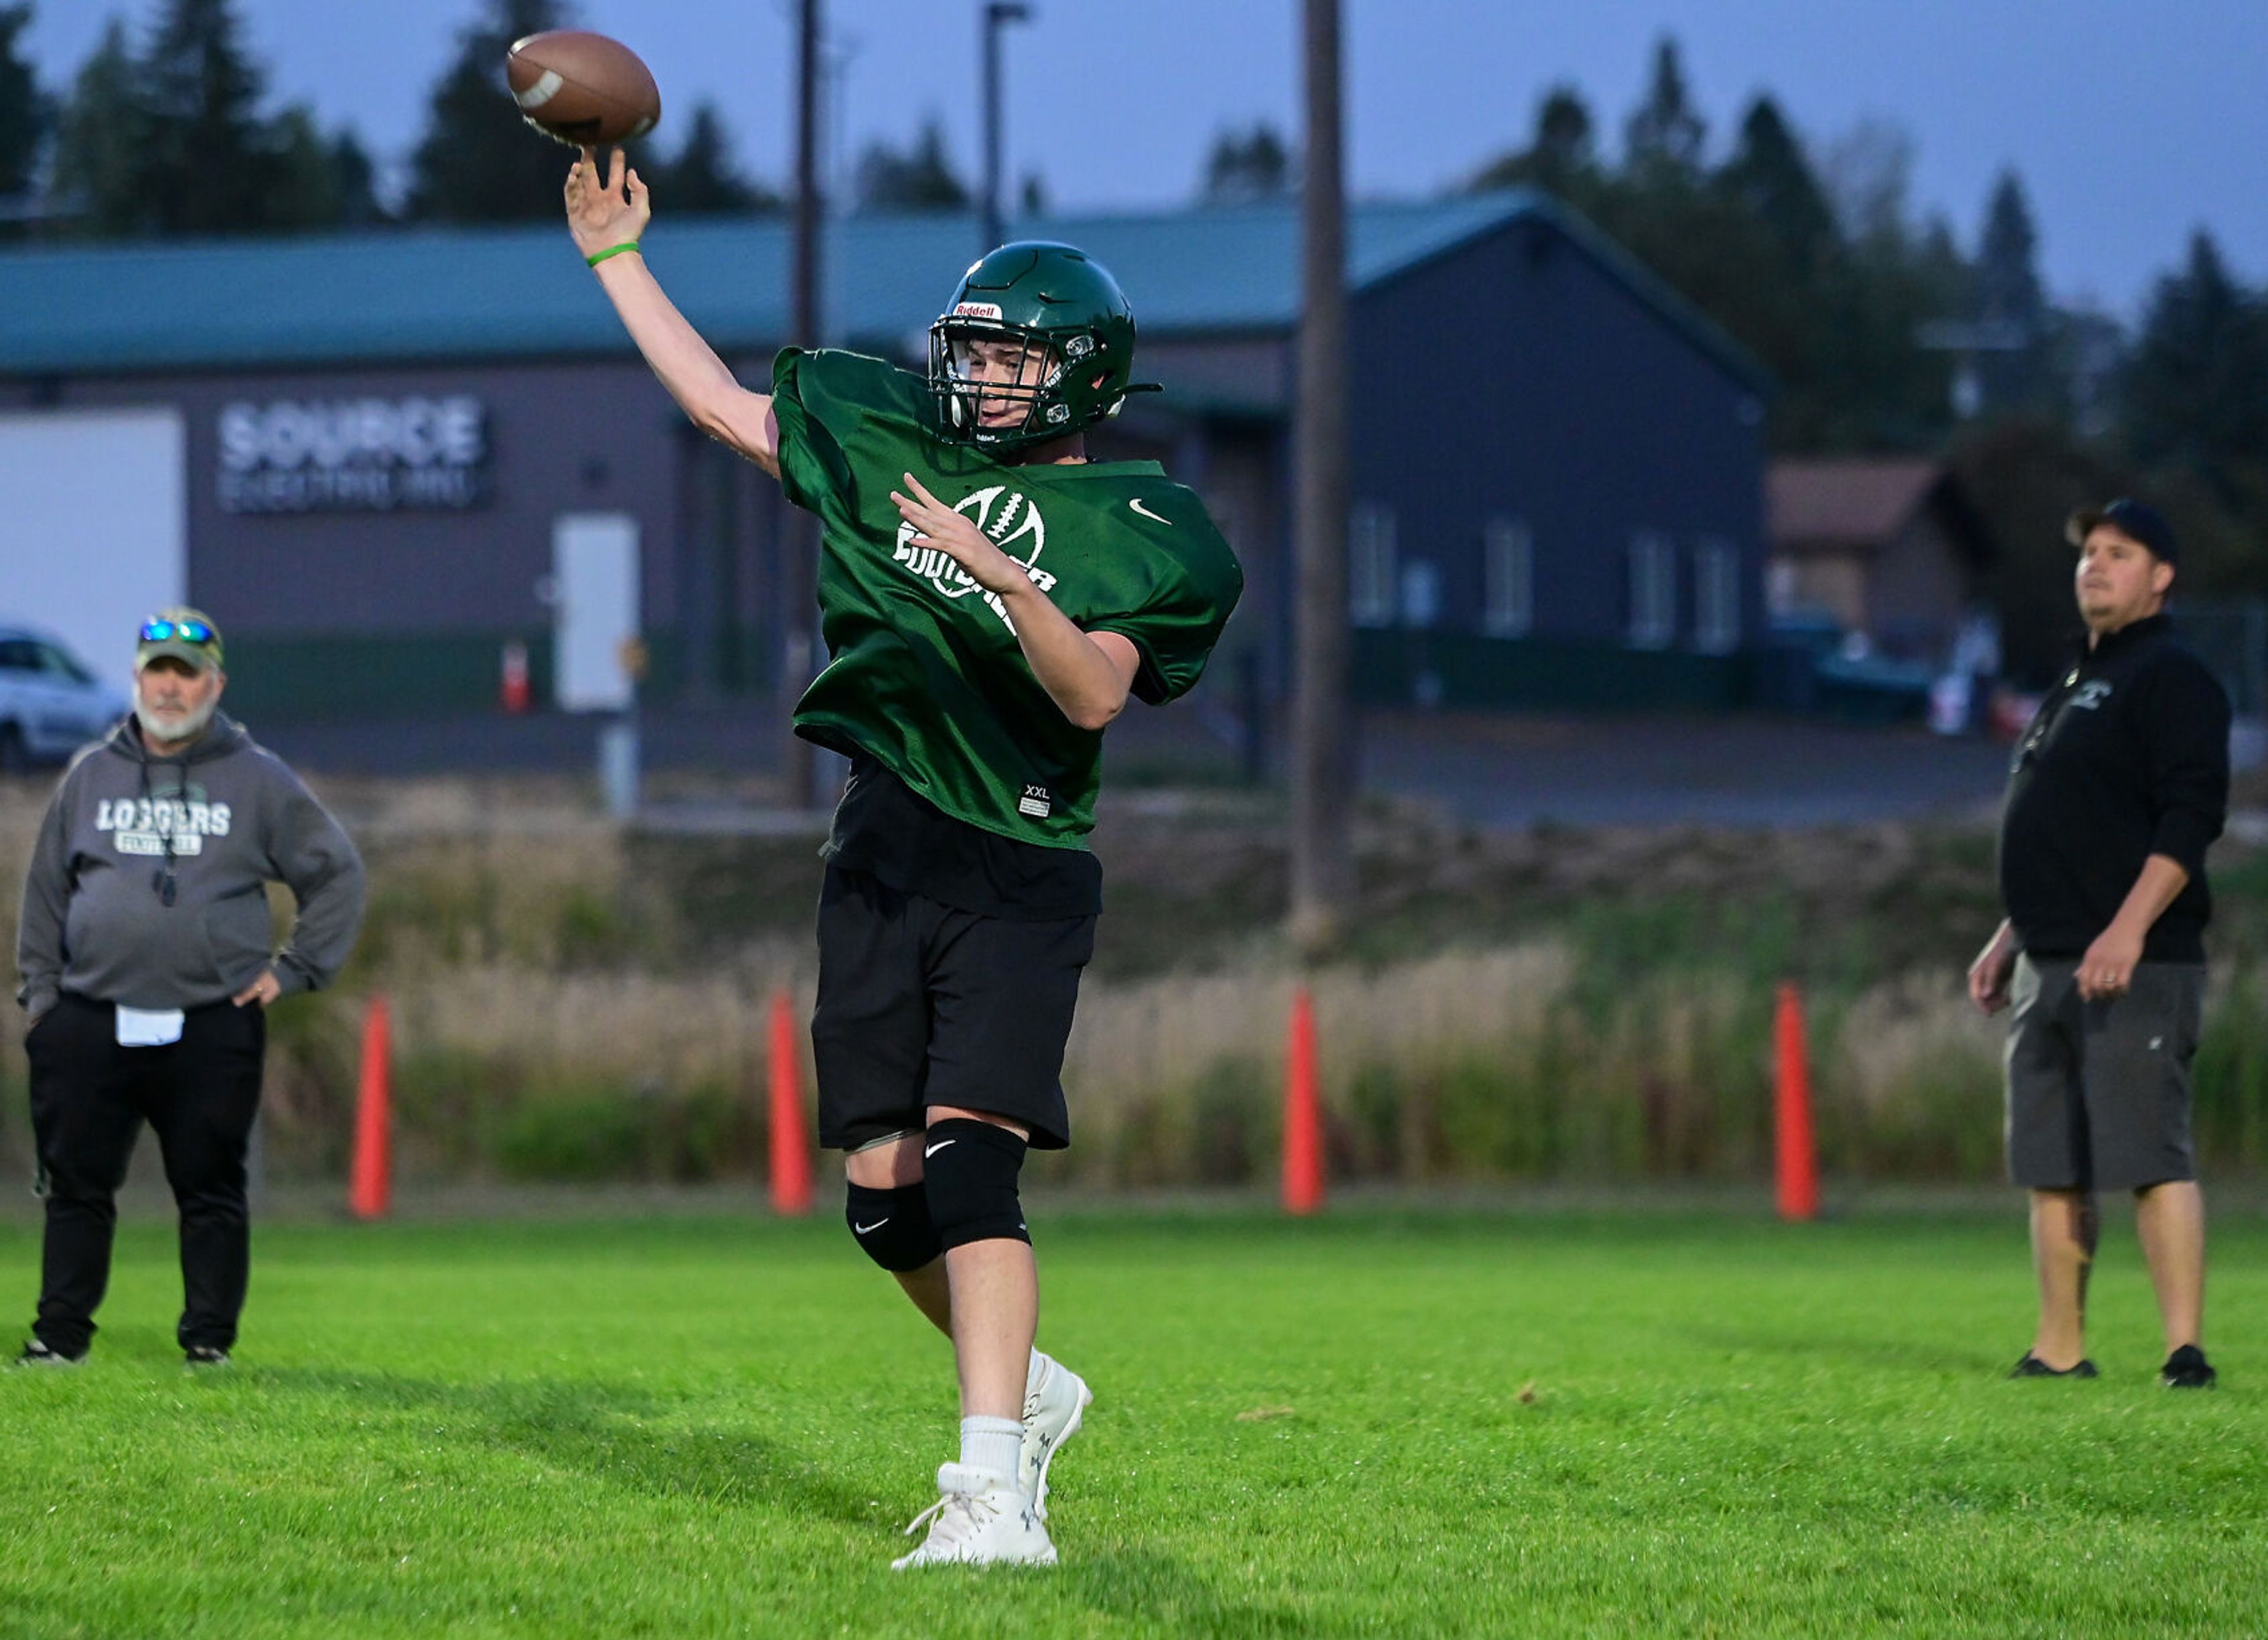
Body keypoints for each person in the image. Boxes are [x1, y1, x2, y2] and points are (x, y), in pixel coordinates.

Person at [563, 151, 1241, 1565]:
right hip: (879, 842)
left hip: (1016, 862)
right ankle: (1029, 1387)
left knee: (971, 1173)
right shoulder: (892, 443)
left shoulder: (1145, 527)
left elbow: (1094, 697)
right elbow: (718, 406)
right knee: (883, 1202)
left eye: (1012, 358)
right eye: (972, 351)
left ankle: (992, 1495)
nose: (981, 378)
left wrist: (1006, 580)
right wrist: (618, 257)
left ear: (1083, 377)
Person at [13, 609, 366, 1368]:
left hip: (212, 1019)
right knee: (77, 1185)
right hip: (90, 1014)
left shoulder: (258, 779)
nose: (170, 688)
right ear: (138, 678)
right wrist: (41, 998)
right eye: (157, 671)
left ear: (216, 684)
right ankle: (60, 1339)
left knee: (210, 1187)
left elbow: (336, 875)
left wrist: (294, 967)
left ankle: (209, 1342)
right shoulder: (90, 774)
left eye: (186, 673)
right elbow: (45, 893)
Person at [1967, 499, 2228, 1389]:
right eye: (2089, 554)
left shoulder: (2174, 677)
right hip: (2048, 958)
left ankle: (2182, 1354)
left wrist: (2127, 929)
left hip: (2136, 961)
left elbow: (2190, 819)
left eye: (2120, 553)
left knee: (2146, 1154)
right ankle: (2059, 1349)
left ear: (2162, 576)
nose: (2096, 566)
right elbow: (2069, 829)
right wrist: (2011, 935)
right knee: (2053, 1164)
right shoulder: (2076, 683)